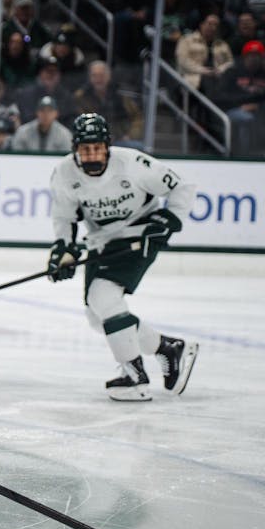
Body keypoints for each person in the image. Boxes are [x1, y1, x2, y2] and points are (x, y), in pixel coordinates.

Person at [48, 113, 199, 401]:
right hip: (101, 240)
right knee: (97, 316)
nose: (92, 155)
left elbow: (182, 187)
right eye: (85, 149)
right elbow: (64, 216)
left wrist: (169, 220)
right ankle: (168, 348)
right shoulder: (64, 173)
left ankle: (135, 377)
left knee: (103, 296)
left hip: (139, 235)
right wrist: (63, 249)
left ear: (107, 146)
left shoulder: (133, 163)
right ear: (75, 149)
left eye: (97, 148)